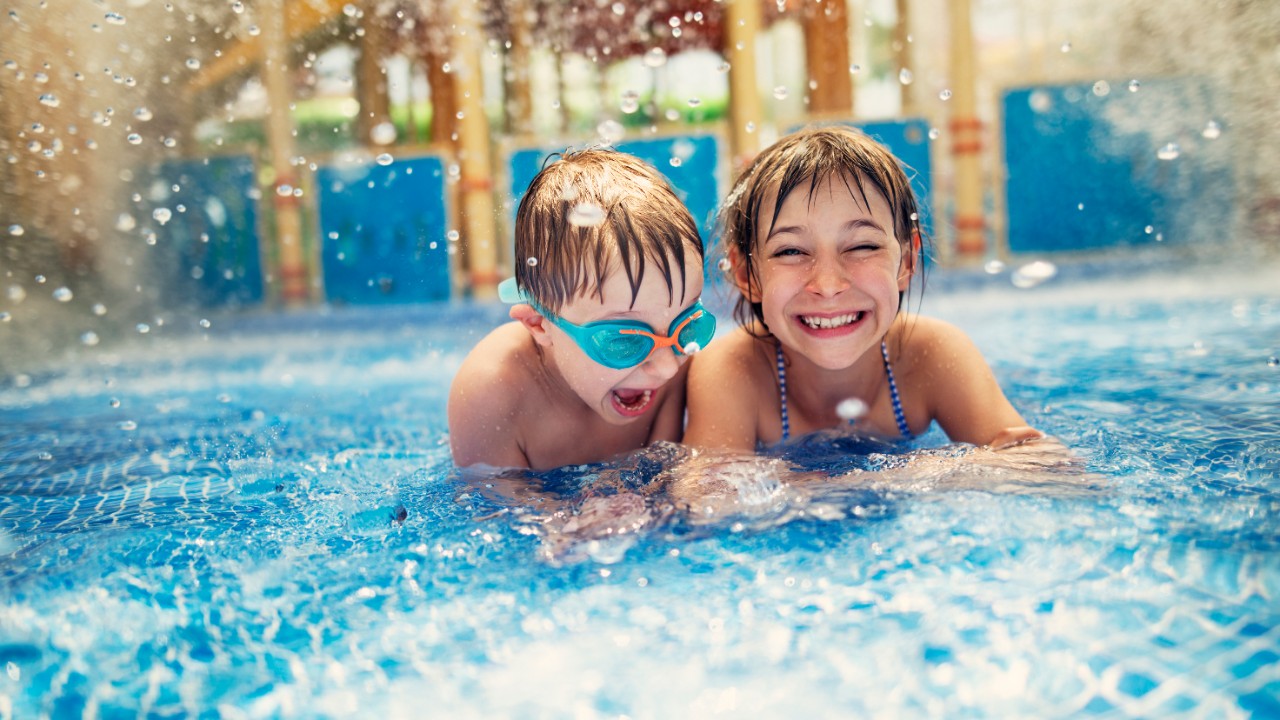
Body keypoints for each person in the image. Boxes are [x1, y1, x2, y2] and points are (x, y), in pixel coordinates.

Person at [684, 125, 1044, 452]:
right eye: (791, 251)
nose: (827, 285)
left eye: (862, 246)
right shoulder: (733, 370)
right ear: (747, 275)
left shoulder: (931, 356)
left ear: (906, 262)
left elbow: (1035, 462)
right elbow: (707, 498)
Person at [448, 148, 716, 471]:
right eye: (625, 340)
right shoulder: (492, 393)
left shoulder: (676, 355)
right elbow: (498, 513)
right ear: (539, 323)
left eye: (688, 325)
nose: (667, 369)